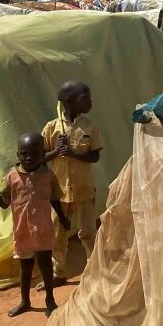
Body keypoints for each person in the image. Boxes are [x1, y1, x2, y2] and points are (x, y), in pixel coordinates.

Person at [0, 133, 69, 317]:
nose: (29, 157)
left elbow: (55, 200)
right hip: (22, 230)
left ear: (43, 154)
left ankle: (50, 299)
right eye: (24, 154)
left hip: (43, 229)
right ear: (17, 155)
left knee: (45, 265)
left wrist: (63, 219)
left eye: (34, 153)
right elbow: (4, 203)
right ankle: (25, 301)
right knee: (25, 267)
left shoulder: (48, 176)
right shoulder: (12, 177)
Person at [41, 81, 102, 287]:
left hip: (84, 190)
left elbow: (94, 156)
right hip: (59, 193)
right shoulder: (52, 127)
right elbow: (40, 157)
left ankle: (95, 272)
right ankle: (58, 273)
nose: (91, 102)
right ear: (69, 102)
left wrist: (75, 153)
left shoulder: (90, 126)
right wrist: (56, 152)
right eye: (86, 98)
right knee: (58, 234)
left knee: (88, 233)